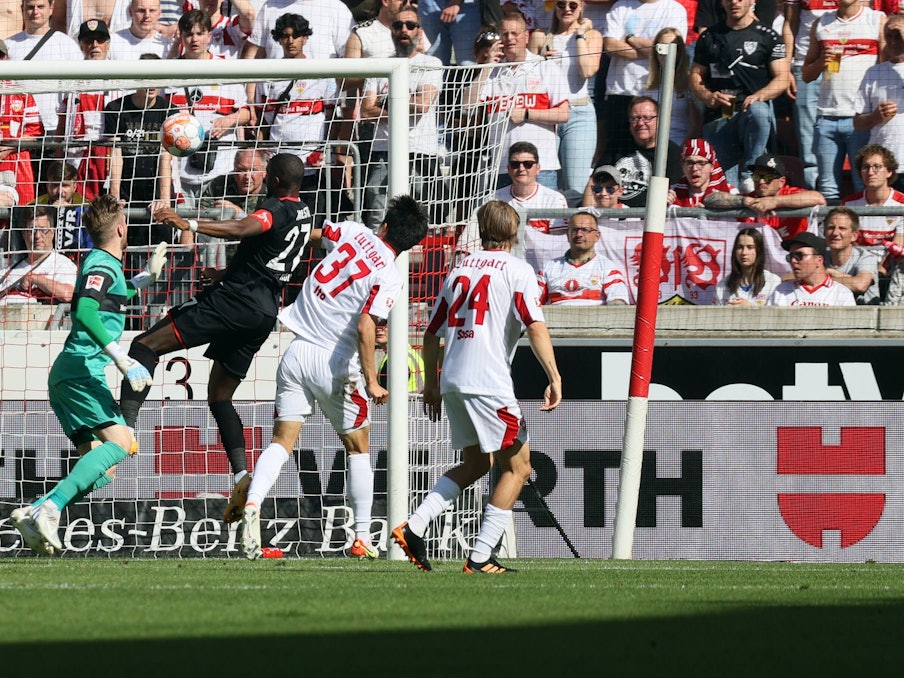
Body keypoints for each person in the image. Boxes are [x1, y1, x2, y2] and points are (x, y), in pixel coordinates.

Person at [118, 153, 317, 525]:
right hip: (262, 311)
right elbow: (268, 255)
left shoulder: (272, 209)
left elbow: (247, 229)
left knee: (144, 345)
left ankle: (124, 429)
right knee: (220, 396)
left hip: (232, 303)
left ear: (273, 181)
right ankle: (242, 476)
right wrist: (226, 272)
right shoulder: (304, 212)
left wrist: (185, 221)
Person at [239, 195, 429, 560]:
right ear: (410, 245)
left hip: (295, 350)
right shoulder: (390, 275)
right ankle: (361, 537)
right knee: (358, 447)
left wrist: (286, 244)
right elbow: (364, 325)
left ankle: (252, 503)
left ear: (385, 225)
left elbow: (316, 234)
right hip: (334, 362)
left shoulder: (354, 232)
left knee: (281, 441)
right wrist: (373, 380)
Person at [392, 200, 562, 574]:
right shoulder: (518, 270)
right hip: (488, 382)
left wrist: (431, 384)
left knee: (477, 463)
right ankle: (481, 556)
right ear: (513, 233)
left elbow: (432, 332)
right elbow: (534, 325)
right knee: (518, 467)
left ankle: (415, 526)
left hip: (453, 378)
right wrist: (554, 375)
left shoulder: (458, 270)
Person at [9, 194, 166, 555]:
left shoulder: (102, 263)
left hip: (71, 373)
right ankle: (49, 508)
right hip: (81, 372)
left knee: (103, 468)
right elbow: (85, 310)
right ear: (122, 229)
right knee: (122, 443)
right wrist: (121, 358)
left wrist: (145, 279)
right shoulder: (101, 264)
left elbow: (111, 295)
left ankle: (39, 508)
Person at [690, 0, 790, 191]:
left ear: (752, 1)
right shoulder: (709, 36)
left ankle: (749, 172)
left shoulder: (768, 36)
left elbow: (783, 78)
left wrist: (759, 95)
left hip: (751, 112)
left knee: (759, 110)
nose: (734, 2)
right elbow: (695, 75)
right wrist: (708, 96)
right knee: (725, 188)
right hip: (720, 114)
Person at [466, 11, 570, 191]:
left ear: (526, 36)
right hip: (503, 167)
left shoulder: (545, 67)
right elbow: (467, 105)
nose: (510, 38)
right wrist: (488, 65)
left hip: (540, 167)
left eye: (515, 33)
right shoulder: (493, 71)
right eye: (505, 34)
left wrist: (527, 114)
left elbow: (563, 113)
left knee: (542, 219)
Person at [361, 8, 444, 228]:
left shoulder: (431, 63)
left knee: (421, 213)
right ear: (391, 31)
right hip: (383, 148)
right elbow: (366, 111)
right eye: (397, 25)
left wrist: (385, 104)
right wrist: (404, 105)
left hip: (420, 150)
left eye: (410, 25)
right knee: (377, 210)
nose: (403, 30)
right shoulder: (380, 65)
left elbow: (422, 105)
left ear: (420, 30)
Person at [254, 13, 335, 221]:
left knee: (311, 223)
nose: (290, 41)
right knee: (278, 223)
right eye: (285, 36)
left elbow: (333, 117)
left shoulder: (321, 72)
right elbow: (263, 119)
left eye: (296, 35)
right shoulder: (268, 74)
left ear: (305, 38)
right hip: (278, 164)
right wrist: (263, 153)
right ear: (278, 39)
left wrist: (324, 149)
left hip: (310, 164)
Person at [801, 0, 883, 201]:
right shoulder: (821, 23)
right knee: (828, 189)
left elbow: (887, 66)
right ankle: (827, 231)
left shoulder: (876, 19)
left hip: (861, 118)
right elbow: (806, 75)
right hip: (826, 117)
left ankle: (863, 230)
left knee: (863, 186)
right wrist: (821, 62)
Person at [528, 0, 603, 194]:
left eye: (573, 5)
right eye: (561, 4)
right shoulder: (540, 36)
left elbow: (587, 71)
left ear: (582, 6)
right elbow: (526, 77)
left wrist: (579, 35)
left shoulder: (592, 36)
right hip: (547, 114)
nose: (567, 9)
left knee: (576, 186)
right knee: (543, 181)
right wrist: (541, 62)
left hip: (578, 112)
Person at [600, 0, 688, 160]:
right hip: (621, 91)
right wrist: (655, 50)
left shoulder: (674, 9)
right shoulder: (620, 6)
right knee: (619, 156)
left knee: (657, 155)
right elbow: (611, 46)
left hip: (657, 93)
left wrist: (631, 39)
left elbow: (672, 49)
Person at [103, 53, 175, 237]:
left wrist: (164, 199)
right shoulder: (115, 108)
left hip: (155, 189)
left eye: (156, 77)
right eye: (146, 77)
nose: (151, 83)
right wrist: (115, 196)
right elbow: (115, 155)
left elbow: (165, 158)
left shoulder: (169, 111)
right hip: (127, 189)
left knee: (159, 248)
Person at [55, 20, 118, 202]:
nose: (95, 45)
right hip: (75, 155)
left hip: (106, 154)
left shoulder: (121, 74)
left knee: (104, 210)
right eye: (89, 40)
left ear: (108, 43)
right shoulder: (69, 76)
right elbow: (61, 121)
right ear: (81, 44)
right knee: (74, 207)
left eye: (100, 40)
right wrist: (59, 161)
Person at [588, 96, 683, 208]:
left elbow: (674, 193)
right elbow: (593, 182)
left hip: (648, 218)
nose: (640, 123)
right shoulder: (617, 146)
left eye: (647, 118)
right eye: (635, 118)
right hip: (613, 216)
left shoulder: (673, 154)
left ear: (660, 120)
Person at [6, 0, 83, 137]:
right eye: (30, 7)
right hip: (17, 129)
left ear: (51, 8)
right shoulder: (8, 45)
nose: (35, 12)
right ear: (22, 9)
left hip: (53, 128)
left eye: (40, 6)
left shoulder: (66, 44)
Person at [784, 0, 834, 190]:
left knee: (847, 129)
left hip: (844, 62)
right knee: (808, 139)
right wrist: (787, 66)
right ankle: (815, 198)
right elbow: (790, 22)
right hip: (804, 63)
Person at [538, 207, 630, 305]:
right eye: (574, 230)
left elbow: (619, 303)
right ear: (567, 235)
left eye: (585, 230)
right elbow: (532, 302)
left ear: (597, 236)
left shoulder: (608, 268)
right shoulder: (548, 267)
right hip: (553, 320)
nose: (579, 234)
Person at [854, 15, 904, 191]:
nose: (893, 41)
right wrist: (875, 116)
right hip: (886, 164)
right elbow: (858, 123)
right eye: (888, 36)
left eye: (898, 36)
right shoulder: (874, 72)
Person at [0, 206, 78, 305]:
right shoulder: (9, 270)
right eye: (31, 230)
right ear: (24, 233)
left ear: (53, 232)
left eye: (43, 230)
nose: (37, 236)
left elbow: (68, 294)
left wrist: (34, 278)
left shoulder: (62, 264)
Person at [743, 153, 826, 241]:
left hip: (793, 252)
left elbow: (819, 198)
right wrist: (742, 201)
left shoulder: (790, 194)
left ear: (781, 182)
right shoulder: (750, 198)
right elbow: (727, 199)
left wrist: (775, 201)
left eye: (768, 177)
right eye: (756, 177)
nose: (761, 181)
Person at [0, 43, 44, 206]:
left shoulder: (22, 93)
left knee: (22, 215)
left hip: (17, 159)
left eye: (0, 56)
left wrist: (7, 148)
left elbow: (34, 133)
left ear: (7, 58)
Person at [494, 141, 569, 234]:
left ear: (538, 168)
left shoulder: (554, 199)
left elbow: (558, 242)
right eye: (515, 164)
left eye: (528, 164)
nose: (521, 169)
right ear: (508, 169)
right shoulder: (494, 199)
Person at [645, 27, 701, 147]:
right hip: (651, 148)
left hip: (681, 146)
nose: (667, 52)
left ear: (680, 51)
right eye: (663, 46)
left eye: (673, 47)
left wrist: (679, 151)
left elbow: (696, 125)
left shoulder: (689, 83)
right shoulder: (645, 83)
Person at [767, 230, 856, 305]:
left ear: (819, 260)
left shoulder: (841, 293)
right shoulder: (781, 290)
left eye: (799, 255)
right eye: (790, 257)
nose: (793, 261)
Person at [842, 144, 904, 249]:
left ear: (889, 172)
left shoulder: (902, 203)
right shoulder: (848, 204)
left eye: (877, 167)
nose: (870, 172)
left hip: (890, 263)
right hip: (858, 262)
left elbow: (897, 248)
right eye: (866, 167)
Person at [824, 205, 880, 305]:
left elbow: (860, 285)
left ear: (854, 236)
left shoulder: (866, 257)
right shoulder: (819, 257)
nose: (835, 233)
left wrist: (824, 276)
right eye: (831, 227)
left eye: (842, 228)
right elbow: (791, 277)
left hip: (864, 315)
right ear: (824, 232)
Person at [712, 227, 781, 305]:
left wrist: (751, 309)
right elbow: (715, 315)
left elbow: (776, 315)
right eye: (740, 247)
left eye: (750, 247)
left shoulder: (773, 281)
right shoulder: (723, 285)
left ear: (758, 250)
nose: (744, 252)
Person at [667, 138, 738, 207]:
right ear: (682, 165)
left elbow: (744, 218)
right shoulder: (670, 193)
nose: (694, 168)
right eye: (689, 163)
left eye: (701, 163)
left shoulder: (731, 193)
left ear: (712, 166)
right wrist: (662, 205)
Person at [375, 320, 425, 392]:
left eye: (384, 325)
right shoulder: (409, 352)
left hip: (405, 401)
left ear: (398, 328)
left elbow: (387, 395)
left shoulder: (396, 358)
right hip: (414, 400)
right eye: (377, 325)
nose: (379, 329)